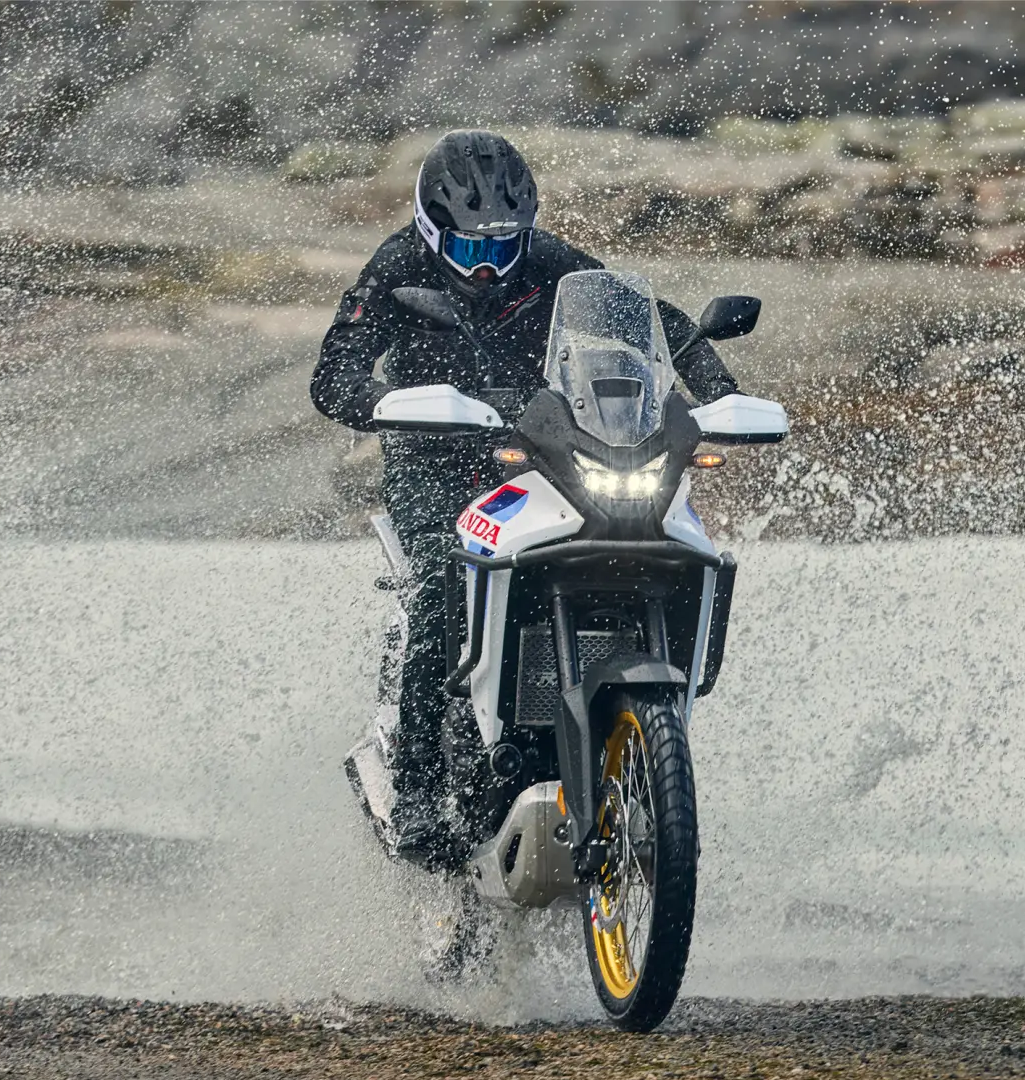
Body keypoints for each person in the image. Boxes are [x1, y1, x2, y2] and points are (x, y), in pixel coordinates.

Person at [310, 130, 741, 868]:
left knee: (641, 541)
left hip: (542, 448)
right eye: (474, 251)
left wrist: (719, 391)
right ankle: (415, 790)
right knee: (442, 584)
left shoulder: (550, 263)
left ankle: (619, 735)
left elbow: (654, 323)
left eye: (504, 249)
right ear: (431, 228)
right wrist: (387, 401)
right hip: (434, 460)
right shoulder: (397, 267)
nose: (491, 266)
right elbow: (333, 374)